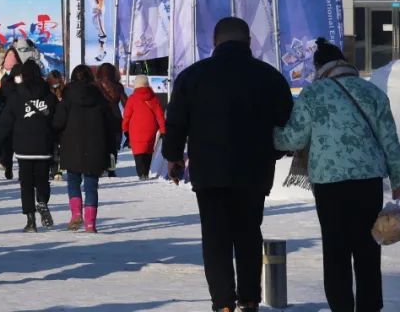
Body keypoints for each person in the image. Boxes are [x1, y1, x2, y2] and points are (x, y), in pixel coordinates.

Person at [162, 17, 294, 312]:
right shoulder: (269, 77)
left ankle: (223, 302)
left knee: (215, 237)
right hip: (254, 171)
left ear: (215, 41)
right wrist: (274, 152)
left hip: (209, 171)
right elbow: (286, 123)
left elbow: (176, 121)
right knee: (249, 233)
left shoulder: (192, 76)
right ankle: (249, 299)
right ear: (249, 41)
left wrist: (173, 156)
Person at [274, 39, 400, 312]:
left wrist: (270, 134)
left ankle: (341, 307)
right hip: (368, 182)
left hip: (329, 184)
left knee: (336, 251)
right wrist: (398, 180)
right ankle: (369, 308)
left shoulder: (313, 94)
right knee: (368, 248)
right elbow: (390, 140)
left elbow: (293, 138)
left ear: (319, 67)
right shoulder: (372, 92)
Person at [0, 60, 59, 231]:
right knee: (42, 179)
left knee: (26, 184)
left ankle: (30, 220)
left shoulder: (16, 97)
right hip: (43, 145)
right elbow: (57, 122)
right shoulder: (49, 97)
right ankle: (42, 201)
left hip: (23, 147)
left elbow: (5, 124)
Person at [54, 65, 119, 232]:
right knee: (91, 185)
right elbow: (111, 125)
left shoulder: (67, 99)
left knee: (73, 182)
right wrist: (111, 149)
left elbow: (57, 123)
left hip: (72, 146)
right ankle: (90, 223)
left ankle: (76, 214)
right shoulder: (100, 99)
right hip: (95, 147)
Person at [122, 74, 166, 181]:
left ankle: (141, 173)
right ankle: (145, 172)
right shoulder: (154, 98)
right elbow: (160, 115)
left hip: (135, 130)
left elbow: (126, 116)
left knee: (138, 151)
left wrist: (125, 129)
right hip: (151, 128)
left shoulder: (132, 99)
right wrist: (163, 130)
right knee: (148, 150)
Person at [0, 48, 22, 179]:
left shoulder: (4, 77)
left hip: (7, 112)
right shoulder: (19, 77)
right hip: (18, 113)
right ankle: (13, 167)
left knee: (8, 143)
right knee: (16, 143)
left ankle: (8, 166)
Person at [95, 62, 127, 177]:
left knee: (99, 144)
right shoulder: (118, 86)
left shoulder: (95, 85)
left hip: (100, 117)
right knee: (113, 147)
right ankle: (111, 169)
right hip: (115, 117)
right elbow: (126, 103)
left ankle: (100, 167)